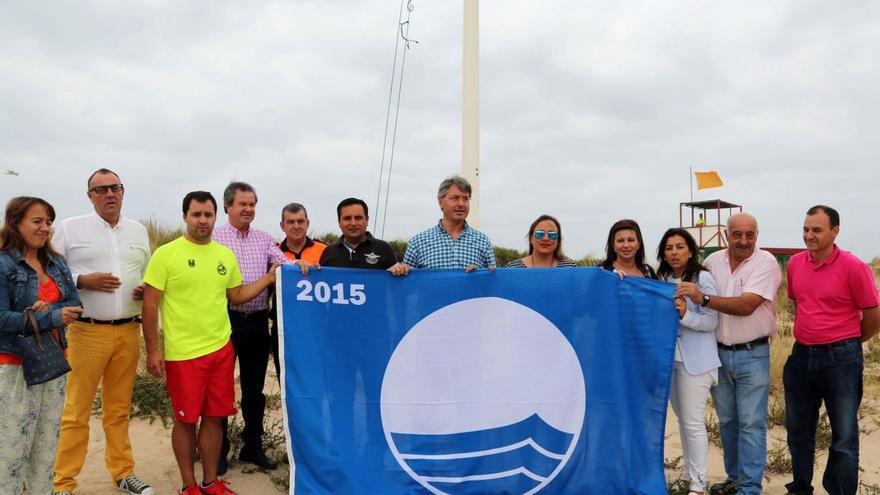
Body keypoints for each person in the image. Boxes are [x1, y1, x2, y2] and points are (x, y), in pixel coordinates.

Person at [142, 191, 279, 495]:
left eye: (207, 215)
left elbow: (237, 295)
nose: (202, 220)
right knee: (186, 420)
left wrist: (268, 280)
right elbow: (150, 305)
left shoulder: (223, 255)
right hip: (183, 354)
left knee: (215, 418)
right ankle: (188, 485)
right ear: (185, 216)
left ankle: (210, 481)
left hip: (220, 348)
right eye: (196, 214)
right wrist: (153, 350)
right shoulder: (166, 254)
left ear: (215, 216)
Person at [52, 169, 154, 495]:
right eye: (101, 189)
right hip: (87, 331)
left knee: (118, 409)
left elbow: (148, 272)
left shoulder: (138, 231)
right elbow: (47, 270)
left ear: (123, 191)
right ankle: (62, 483)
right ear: (90, 195)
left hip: (128, 332)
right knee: (76, 411)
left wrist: (145, 291)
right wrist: (82, 281)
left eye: (115, 188)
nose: (110, 194)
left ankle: (122, 473)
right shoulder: (70, 228)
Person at [676, 212, 782, 495]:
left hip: (753, 354)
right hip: (719, 354)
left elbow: (748, 305)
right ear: (726, 235)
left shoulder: (766, 262)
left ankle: (749, 487)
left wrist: (704, 299)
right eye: (737, 234)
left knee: (751, 423)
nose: (743, 240)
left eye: (750, 234)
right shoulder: (713, 262)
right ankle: (734, 478)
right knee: (728, 422)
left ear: (757, 235)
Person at [783, 205, 880, 495]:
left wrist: (848, 342)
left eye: (816, 230)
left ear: (834, 231)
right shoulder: (795, 264)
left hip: (842, 360)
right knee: (798, 432)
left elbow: (873, 315)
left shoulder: (854, 267)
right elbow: (798, 302)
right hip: (801, 357)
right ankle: (800, 487)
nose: (809, 235)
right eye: (805, 229)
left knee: (844, 436)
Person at [0, 197, 82, 495]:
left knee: (46, 448)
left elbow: (75, 303)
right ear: (15, 223)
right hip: (14, 367)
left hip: (54, 363)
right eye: (37, 221)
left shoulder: (57, 262)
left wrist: (46, 312)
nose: (45, 228)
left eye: (48, 221)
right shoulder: (3, 264)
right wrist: (50, 316)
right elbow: (0, 317)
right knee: (10, 451)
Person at [212, 182, 292, 473]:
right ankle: (218, 450)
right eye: (242, 204)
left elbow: (283, 265)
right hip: (222, 323)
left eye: (252, 204)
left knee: (254, 391)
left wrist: (302, 267)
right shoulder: (215, 238)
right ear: (228, 207)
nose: (248, 209)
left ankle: (252, 446)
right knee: (220, 389)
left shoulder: (264, 238)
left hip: (257, 323)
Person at [656, 228, 719, 495]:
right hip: (670, 361)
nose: (674, 252)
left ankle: (699, 483)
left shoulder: (703, 278)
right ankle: (686, 474)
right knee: (682, 421)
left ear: (690, 250)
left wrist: (685, 316)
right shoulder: (662, 279)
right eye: (669, 248)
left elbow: (711, 321)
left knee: (693, 423)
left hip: (697, 362)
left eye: (679, 246)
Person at [269, 203, 326, 379]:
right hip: (284, 329)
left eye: (300, 221)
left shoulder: (324, 250)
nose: (296, 226)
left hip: (317, 328)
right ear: (282, 225)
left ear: (308, 223)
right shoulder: (273, 252)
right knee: (287, 379)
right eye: (291, 222)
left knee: (318, 379)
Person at [403, 176, 495, 271]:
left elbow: (494, 283)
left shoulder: (483, 242)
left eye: (465, 199)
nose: (461, 204)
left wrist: (481, 275)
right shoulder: (418, 243)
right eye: (455, 198)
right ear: (441, 202)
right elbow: (405, 282)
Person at [319, 198, 406, 274]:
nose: (353, 223)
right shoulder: (328, 252)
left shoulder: (384, 249)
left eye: (358, 218)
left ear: (367, 220)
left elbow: (395, 286)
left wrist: (400, 270)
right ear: (339, 222)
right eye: (347, 218)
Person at [506, 214, 576, 268]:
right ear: (531, 238)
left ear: (558, 241)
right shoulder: (512, 268)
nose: (546, 238)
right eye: (540, 233)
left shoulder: (570, 267)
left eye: (552, 234)